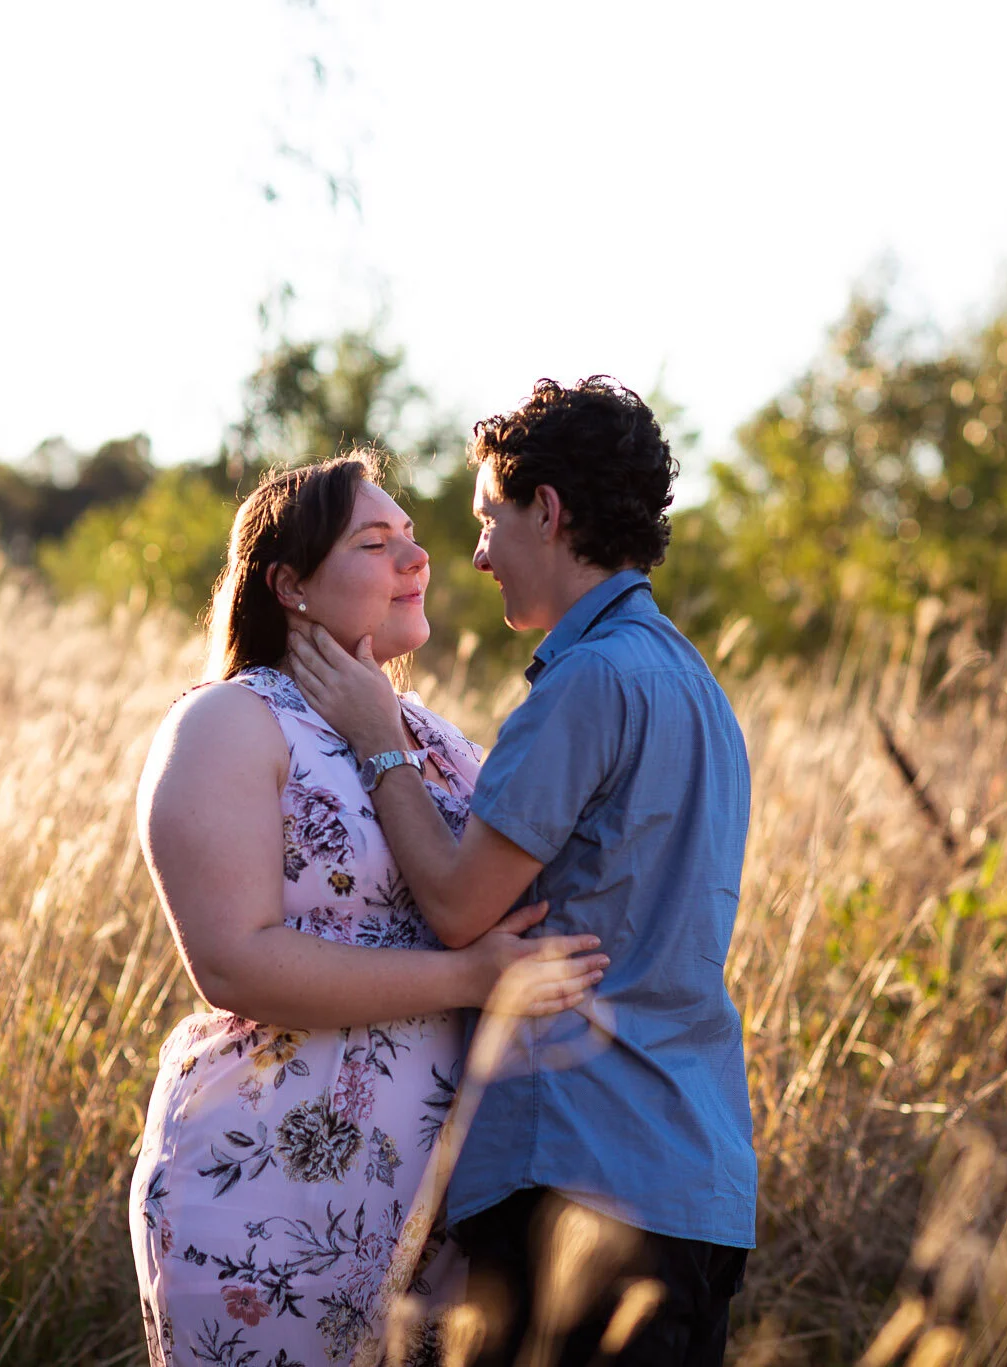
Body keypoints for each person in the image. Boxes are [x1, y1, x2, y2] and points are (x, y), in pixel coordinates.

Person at [288, 378, 756, 1367]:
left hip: (582, 1173)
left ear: (547, 510)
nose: (476, 553)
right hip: (697, 1182)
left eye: (487, 519)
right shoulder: (695, 686)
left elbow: (461, 904)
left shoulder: (590, 679)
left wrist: (378, 738)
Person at [129, 451, 611, 1367]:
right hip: (272, 1191)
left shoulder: (433, 737)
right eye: (375, 542)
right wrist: (467, 977)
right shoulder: (229, 722)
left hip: (440, 1206)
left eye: (412, 538)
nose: (416, 558)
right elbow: (232, 961)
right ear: (290, 585)